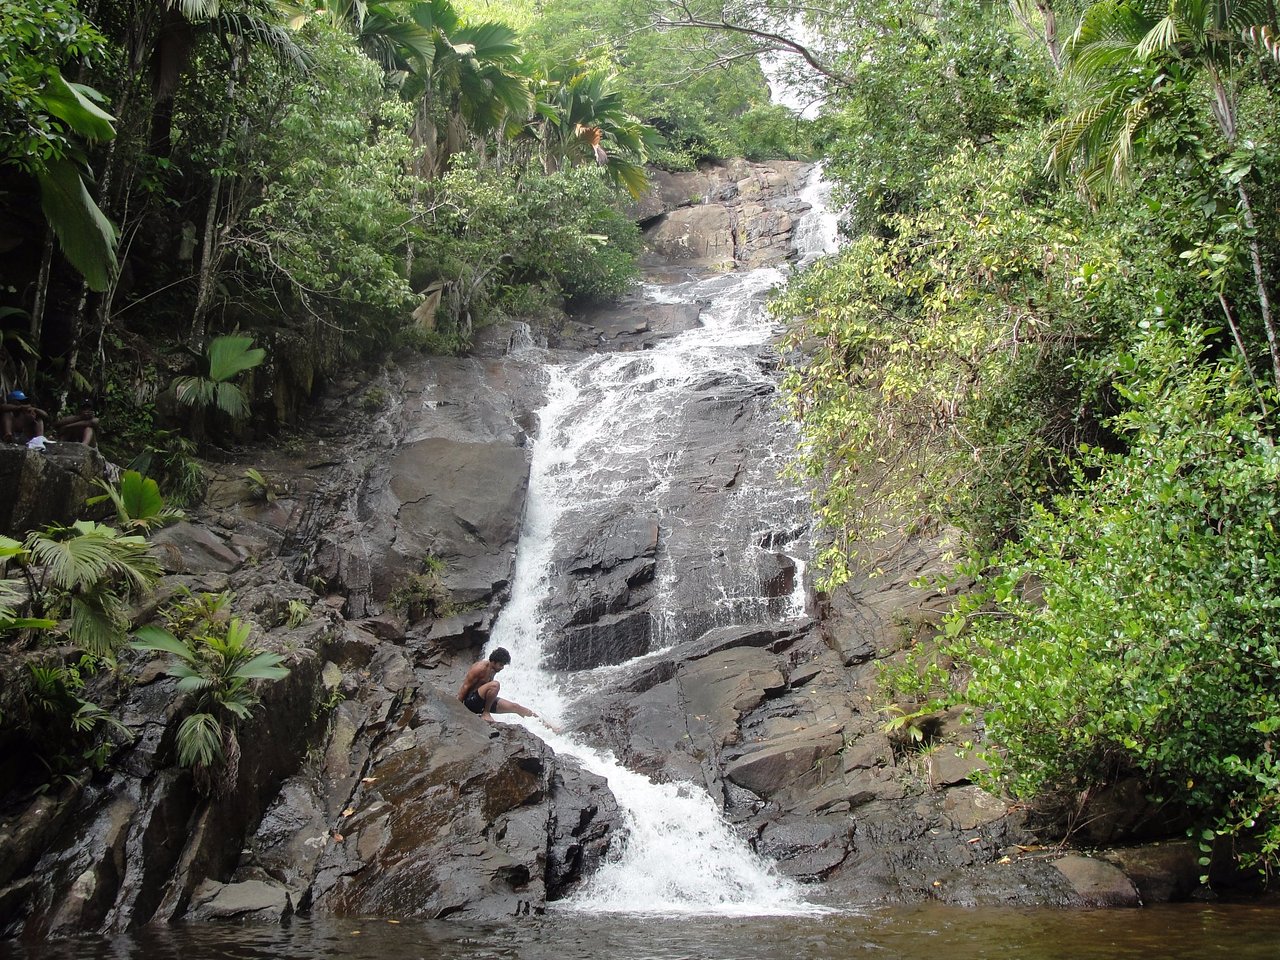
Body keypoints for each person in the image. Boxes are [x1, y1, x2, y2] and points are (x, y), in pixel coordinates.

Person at [457, 647, 538, 722]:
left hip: (483, 703)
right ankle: (486, 713)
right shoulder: (479, 668)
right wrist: (457, 707)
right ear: (493, 662)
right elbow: (465, 686)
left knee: (516, 707)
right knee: (495, 685)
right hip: (471, 702)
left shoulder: (493, 670)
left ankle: (539, 720)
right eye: (501, 665)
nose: (502, 668)